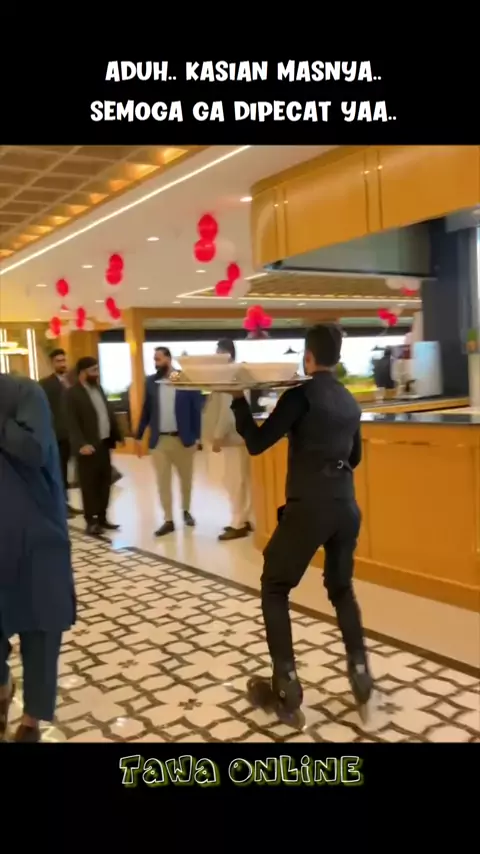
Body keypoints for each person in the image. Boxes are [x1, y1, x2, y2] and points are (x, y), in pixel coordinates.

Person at [230, 323, 373, 720]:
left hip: (310, 507)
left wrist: (238, 400)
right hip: (346, 507)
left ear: (308, 357)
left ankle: (287, 685)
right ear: (337, 359)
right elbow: (355, 457)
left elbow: (257, 443)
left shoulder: (300, 396)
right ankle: (360, 671)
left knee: (275, 586)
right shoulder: (350, 401)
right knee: (341, 588)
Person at [0, 372, 76, 742]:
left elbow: (33, 449)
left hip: (35, 539)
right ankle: (2, 687)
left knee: (41, 630)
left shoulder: (24, 392)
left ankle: (31, 720)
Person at [135, 346, 202, 537]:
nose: (156, 363)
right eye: (154, 360)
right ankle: (168, 519)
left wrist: (197, 437)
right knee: (163, 482)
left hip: (183, 440)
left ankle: (186, 511)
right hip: (160, 441)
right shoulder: (151, 382)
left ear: (168, 359)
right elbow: (146, 410)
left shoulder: (186, 380)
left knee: (186, 479)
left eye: (159, 359)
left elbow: (196, 411)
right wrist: (138, 436)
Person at [203, 338, 252, 541]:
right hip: (237, 437)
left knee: (234, 481)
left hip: (232, 437)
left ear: (227, 354)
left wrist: (217, 436)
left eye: (218, 353)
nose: (215, 357)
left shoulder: (230, 375)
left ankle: (238, 523)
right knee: (240, 479)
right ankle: (244, 518)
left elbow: (226, 410)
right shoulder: (234, 373)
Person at [67, 357, 122, 537]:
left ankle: (102, 517)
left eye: (97, 369)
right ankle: (91, 521)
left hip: (104, 444)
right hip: (87, 448)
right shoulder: (72, 394)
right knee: (89, 486)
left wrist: (117, 435)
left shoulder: (99, 389)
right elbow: (71, 423)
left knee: (104, 483)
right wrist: (81, 444)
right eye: (93, 370)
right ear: (83, 372)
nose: (97, 374)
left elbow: (107, 414)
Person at [39, 348, 81, 519]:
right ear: (52, 363)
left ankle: (67, 503)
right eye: (58, 361)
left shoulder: (73, 382)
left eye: (64, 360)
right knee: (59, 471)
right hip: (58, 435)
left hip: (74, 435)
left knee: (72, 471)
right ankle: (60, 505)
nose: (62, 364)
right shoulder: (45, 384)